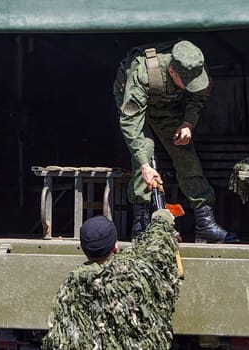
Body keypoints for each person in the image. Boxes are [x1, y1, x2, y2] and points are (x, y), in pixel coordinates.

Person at [113, 40, 237, 243]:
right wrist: (144, 164)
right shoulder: (142, 72)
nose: (192, 86)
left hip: (166, 105)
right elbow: (131, 121)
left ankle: (204, 222)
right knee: (144, 150)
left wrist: (188, 123)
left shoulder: (195, 66)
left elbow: (198, 97)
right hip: (133, 102)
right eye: (186, 82)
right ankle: (141, 223)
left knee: (185, 153)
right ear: (172, 71)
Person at [41, 209, 181, 349]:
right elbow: (155, 247)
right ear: (115, 246)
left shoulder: (72, 286)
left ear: (84, 249)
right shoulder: (136, 272)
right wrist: (161, 219)